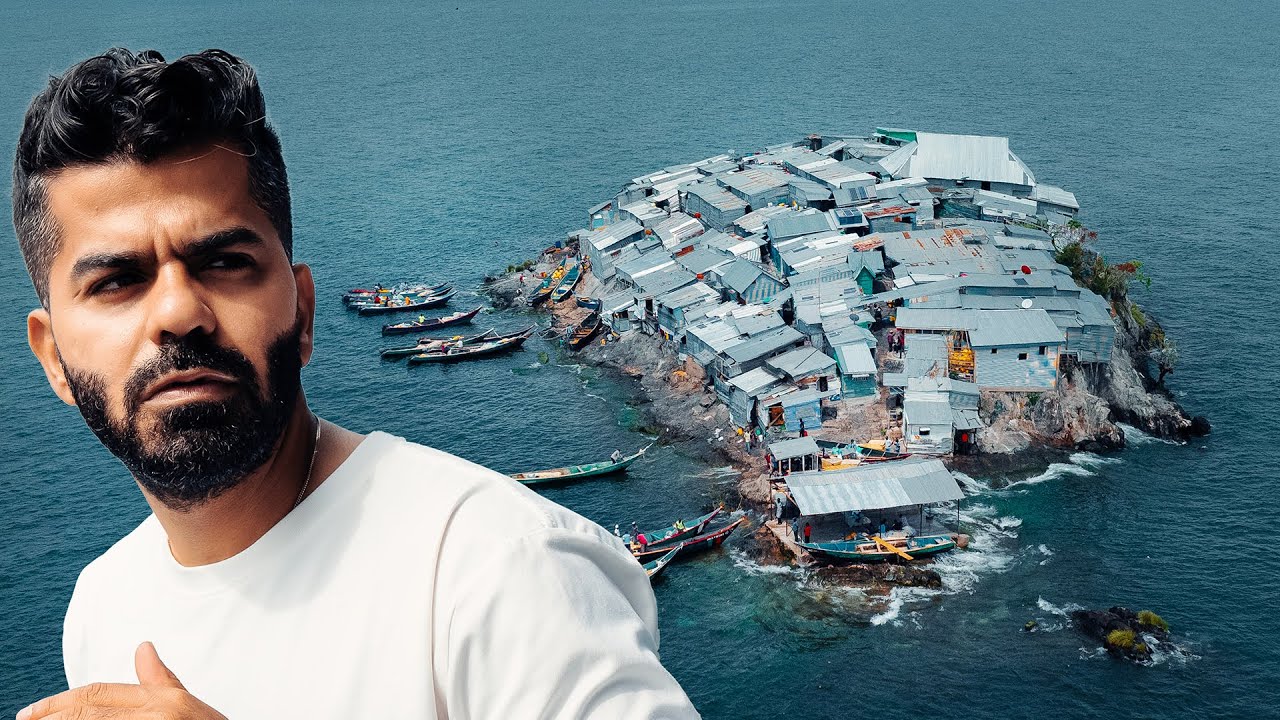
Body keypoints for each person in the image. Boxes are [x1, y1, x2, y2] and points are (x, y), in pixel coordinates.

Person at [11, 48, 697, 720]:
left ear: (303, 312)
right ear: (54, 360)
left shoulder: (494, 571)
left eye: (223, 261)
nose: (178, 312)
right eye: (118, 281)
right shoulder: (102, 609)